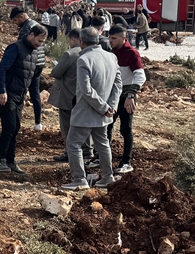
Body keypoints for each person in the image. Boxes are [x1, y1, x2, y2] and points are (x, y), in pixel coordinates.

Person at [61, 27, 121, 191]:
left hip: (86, 113)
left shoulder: (84, 59)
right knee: (102, 145)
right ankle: (108, 177)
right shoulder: (111, 57)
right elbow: (118, 85)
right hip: (105, 113)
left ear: (81, 41)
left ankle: (79, 179)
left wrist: (102, 107)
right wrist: (111, 106)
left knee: (73, 144)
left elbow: (86, 90)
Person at [0, 23, 47, 173]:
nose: (39, 44)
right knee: (9, 126)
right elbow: (2, 69)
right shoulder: (15, 48)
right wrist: (1, 90)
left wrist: (30, 96)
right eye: (39, 41)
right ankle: (0, 160)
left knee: (15, 128)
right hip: (7, 94)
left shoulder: (35, 53)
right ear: (31, 35)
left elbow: (32, 77)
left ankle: (10, 161)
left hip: (20, 96)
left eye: (42, 42)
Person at [48, 29, 93, 164]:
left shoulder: (70, 54)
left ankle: (69, 152)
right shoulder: (90, 54)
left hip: (67, 96)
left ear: (74, 39)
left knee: (67, 126)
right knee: (84, 124)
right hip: (84, 96)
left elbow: (56, 72)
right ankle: (87, 150)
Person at [107, 24, 145, 174]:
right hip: (113, 95)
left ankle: (126, 162)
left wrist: (131, 95)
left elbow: (140, 76)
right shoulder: (111, 52)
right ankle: (102, 157)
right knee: (107, 126)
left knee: (125, 129)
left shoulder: (132, 53)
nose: (110, 41)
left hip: (126, 95)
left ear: (123, 38)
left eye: (114, 38)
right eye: (109, 38)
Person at [10, 6, 46, 130]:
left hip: (31, 63)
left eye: (15, 20)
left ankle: (15, 121)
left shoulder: (27, 28)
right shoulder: (36, 25)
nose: (15, 23)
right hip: (40, 62)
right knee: (35, 91)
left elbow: (22, 48)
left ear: (21, 17)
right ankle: (38, 123)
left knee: (22, 89)